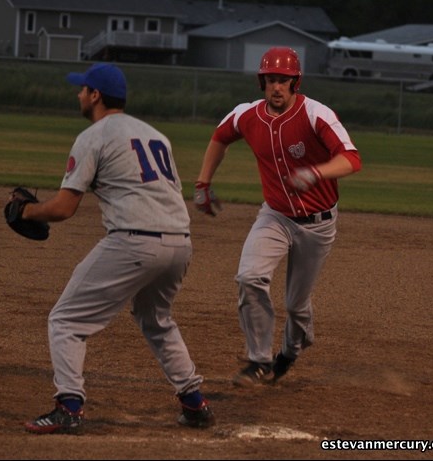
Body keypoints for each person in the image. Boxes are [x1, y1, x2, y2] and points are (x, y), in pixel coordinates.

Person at [22, 63, 215, 433]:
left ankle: (69, 407)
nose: (79, 94)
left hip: (134, 241)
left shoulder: (94, 135)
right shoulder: (156, 135)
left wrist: (28, 210)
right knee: (156, 320)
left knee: (66, 320)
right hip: (180, 243)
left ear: (95, 95)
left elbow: (63, 208)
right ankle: (194, 403)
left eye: (83, 89)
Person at [194, 47, 362, 387]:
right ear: (262, 82)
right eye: (271, 79)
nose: (277, 87)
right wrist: (203, 183)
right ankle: (258, 360)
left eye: (284, 81)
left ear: (295, 82)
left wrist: (316, 172)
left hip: (318, 224)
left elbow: (351, 159)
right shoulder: (247, 115)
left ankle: (290, 350)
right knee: (249, 278)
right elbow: (219, 137)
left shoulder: (316, 113)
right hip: (275, 216)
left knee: (296, 305)